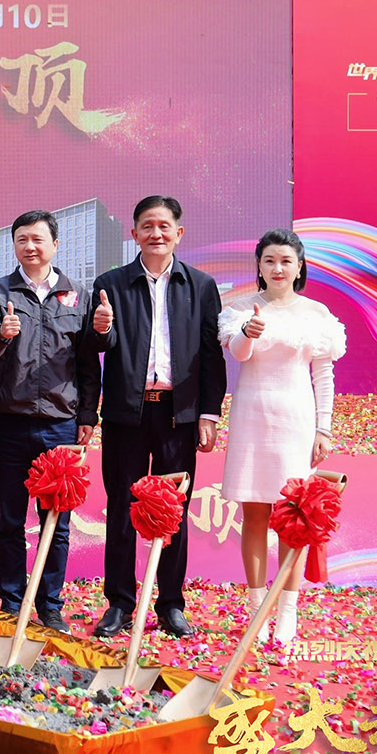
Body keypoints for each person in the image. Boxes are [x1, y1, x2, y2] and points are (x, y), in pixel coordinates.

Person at [89, 195, 226, 639]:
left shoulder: (200, 286)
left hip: (177, 415)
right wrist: (102, 330)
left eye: (164, 226)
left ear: (178, 233)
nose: (156, 234)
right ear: (134, 234)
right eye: (147, 226)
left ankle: (170, 604)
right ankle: (119, 603)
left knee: (172, 511)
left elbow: (211, 356)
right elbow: (97, 349)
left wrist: (208, 412)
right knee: (121, 508)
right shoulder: (110, 284)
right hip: (126, 414)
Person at [0, 210, 99, 633]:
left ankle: (50, 605)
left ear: (55, 245)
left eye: (38, 239)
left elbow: (88, 363)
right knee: (9, 520)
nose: (30, 246)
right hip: (9, 421)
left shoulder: (78, 295)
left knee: (55, 523)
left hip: (61, 424)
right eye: (22, 239)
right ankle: (11, 602)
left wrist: (87, 415)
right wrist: (1, 334)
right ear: (14, 245)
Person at [218, 228, 345, 645]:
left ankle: (287, 610)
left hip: (296, 421)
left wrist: (323, 427)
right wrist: (248, 332)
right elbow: (239, 354)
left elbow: (323, 374)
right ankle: (258, 609)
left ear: (299, 266)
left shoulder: (316, 313)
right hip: (252, 418)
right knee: (254, 515)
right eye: (269, 260)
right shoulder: (241, 308)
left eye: (286, 261)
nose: (277, 268)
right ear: (258, 265)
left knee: (293, 519)